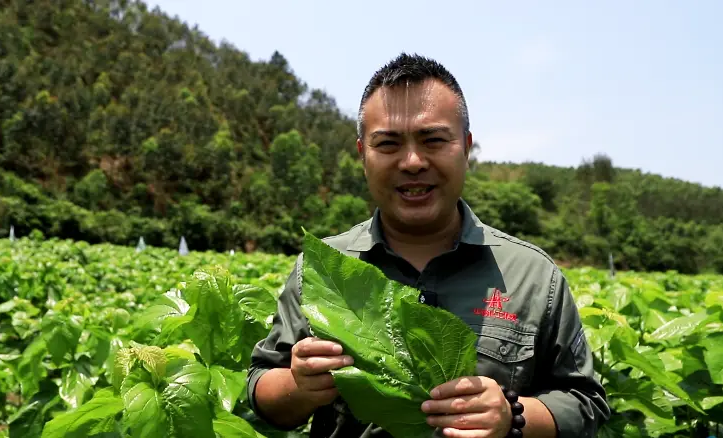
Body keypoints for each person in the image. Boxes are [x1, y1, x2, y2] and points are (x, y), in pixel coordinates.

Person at [246, 53, 610, 438]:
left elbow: (585, 403)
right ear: (362, 155)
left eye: (433, 140)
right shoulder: (323, 268)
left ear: (466, 147)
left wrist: (512, 415)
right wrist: (299, 388)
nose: (413, 161)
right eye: (387, 144)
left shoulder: (533, 276)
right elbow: (261, 387)